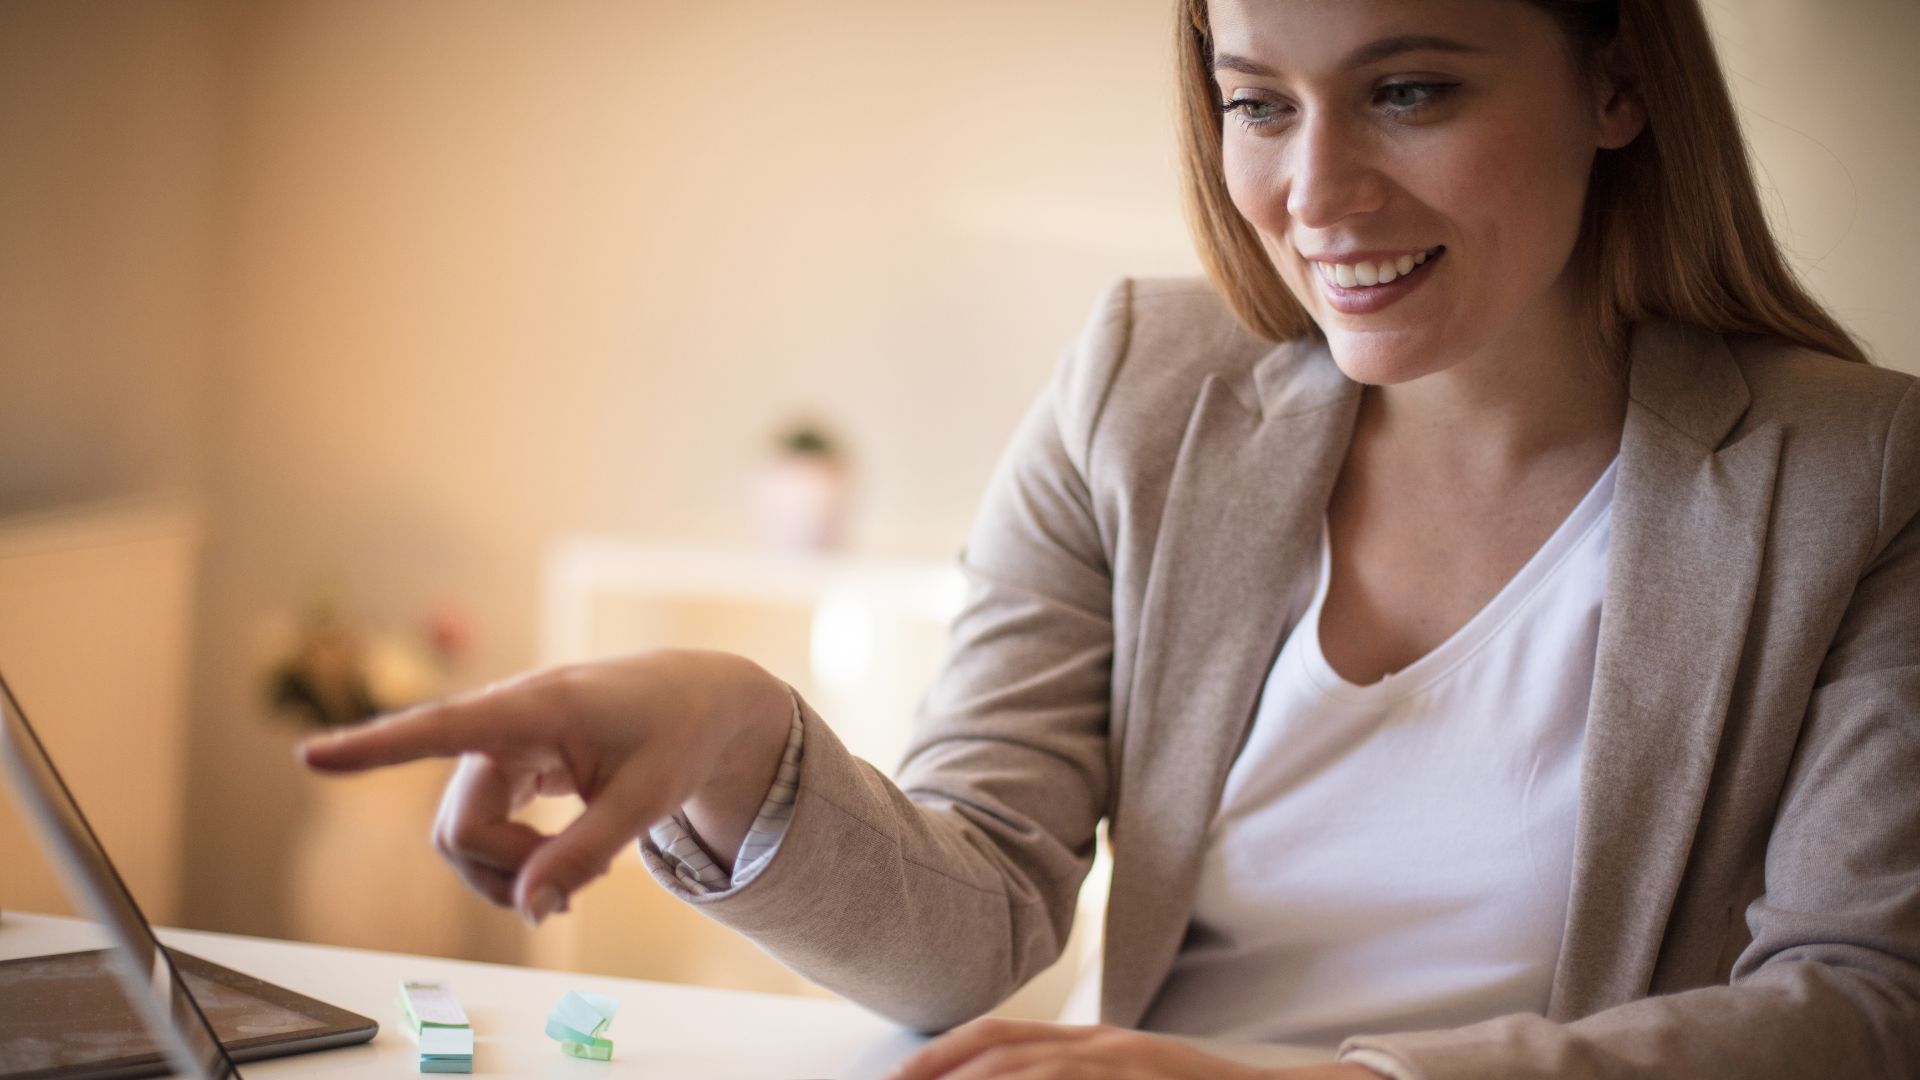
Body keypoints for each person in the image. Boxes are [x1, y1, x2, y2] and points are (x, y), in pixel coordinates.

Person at [301, 0, 1920, 1076]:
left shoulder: (1857, 473)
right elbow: (978, 913)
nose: (1315, 190)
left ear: (1621, 79)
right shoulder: (1144, 387)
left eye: (1410, 90)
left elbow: (1862, 1009)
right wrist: (742, 735)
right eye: (1255, 102)